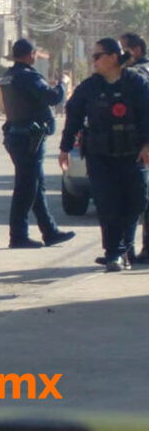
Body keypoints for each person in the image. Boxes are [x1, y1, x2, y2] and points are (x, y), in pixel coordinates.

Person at [59, 38, 149, 272]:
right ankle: (114, 253)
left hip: (132, 154)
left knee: (135, 202)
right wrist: (65, 147)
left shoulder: (136, 83)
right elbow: (73, 116)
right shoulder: (89, 87)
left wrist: (147, 144)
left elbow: (146, 115)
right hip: (100, 155)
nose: (94, 61)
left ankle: (124, 247)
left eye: (97, 56)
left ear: (112, 57)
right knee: (108, 205)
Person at [0, 38, 76, 249]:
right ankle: (18, 235)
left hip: (18, 135)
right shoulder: (27, 77)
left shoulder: (9, 76)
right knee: (26, 188)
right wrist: (63, 83)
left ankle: (49, 231)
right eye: (34, 53)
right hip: (28, 138)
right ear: (30, 54)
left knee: (35, 186)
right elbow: (52, 97)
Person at [119, 32, 149, 262]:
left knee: (138, 199)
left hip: (139, 144)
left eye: (124, 49)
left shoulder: (136, 74)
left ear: (136, 50)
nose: (120, 55)